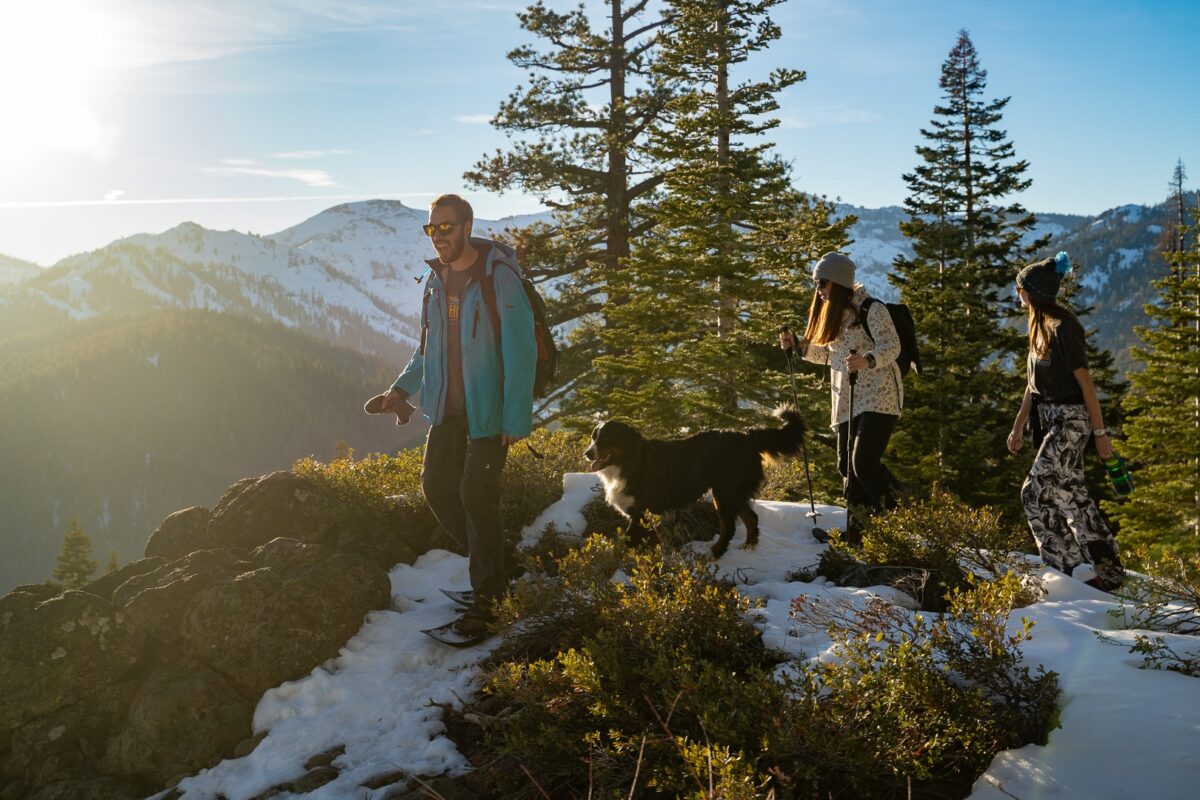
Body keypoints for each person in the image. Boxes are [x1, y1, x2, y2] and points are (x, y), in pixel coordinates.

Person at [366, 193, 537, 637]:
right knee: (438, 488)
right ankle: (501, 568)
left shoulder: (497, 277)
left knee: (476, 497)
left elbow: (521, 353)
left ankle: (490, 601)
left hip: (490, 413)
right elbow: (429, 346)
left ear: (466, 226)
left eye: (446, 227)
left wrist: (515, 421)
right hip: (447, 408)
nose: (438, 236)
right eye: (432, 228)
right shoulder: (435, 279)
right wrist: (401, 387)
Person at [1007, 252, 1125, 592]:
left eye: (1020, 289)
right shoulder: (1040, 327)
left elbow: (1086, 383)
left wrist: (1100, 434)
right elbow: (1033, 387)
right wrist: (1018, 427)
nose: (1018, 295)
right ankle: (1109, 572)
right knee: (1071, 495)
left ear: (1032, 292)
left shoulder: (1063, 328)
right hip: (1051, 420)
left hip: (1071, 422)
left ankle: (1067, 569)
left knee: (1033, 493)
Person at [779, 252, 903, 540]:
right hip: (847, 401)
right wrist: (798, 345)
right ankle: (860, 536)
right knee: (846, 467)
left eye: (822, 283)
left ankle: (907, 512)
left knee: (864, 464)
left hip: (879, 397)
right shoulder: (835, 317)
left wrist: (868, 360)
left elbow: (892, 345)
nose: (819, 290)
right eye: (816, 284)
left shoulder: (871, 309)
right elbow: (829, 356)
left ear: (838, 282)